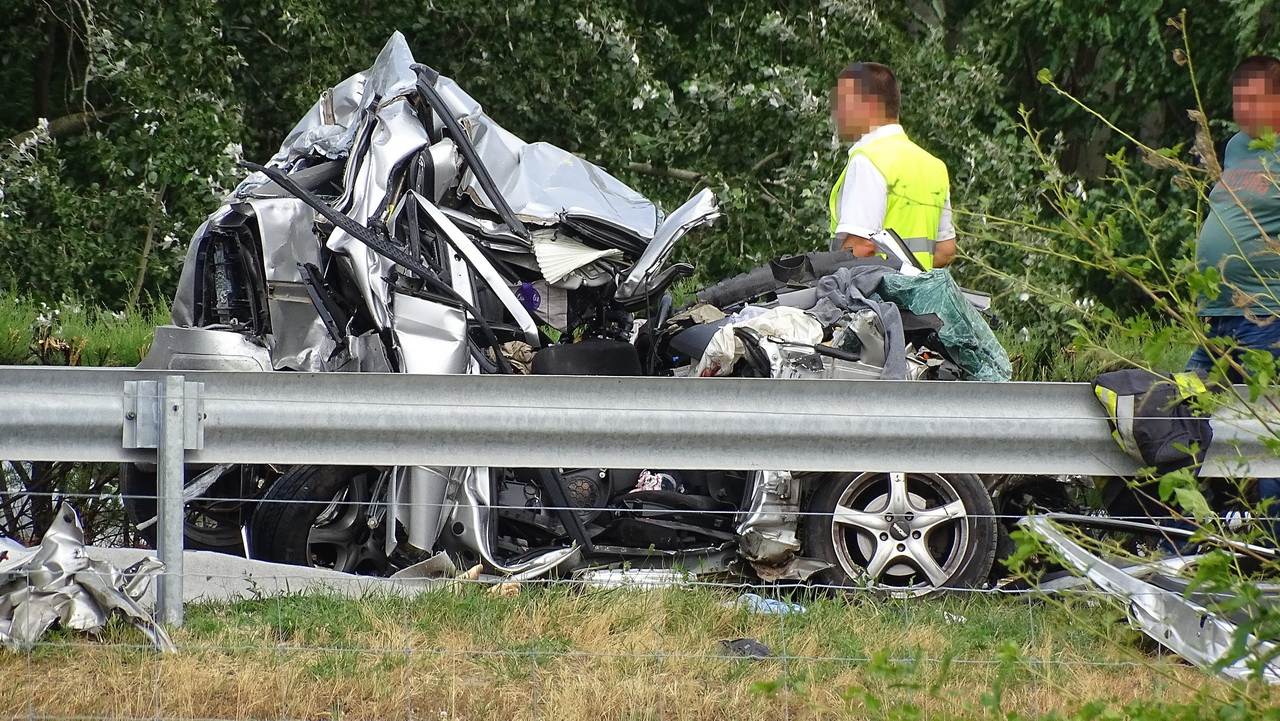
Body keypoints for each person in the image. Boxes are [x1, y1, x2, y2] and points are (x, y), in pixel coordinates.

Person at [1186, 54, 1280, 542]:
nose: (1242, 109)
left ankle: (1272, 545)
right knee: (1179, 411)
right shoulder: (1237, 146)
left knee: (1266, 431)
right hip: (1216, 317)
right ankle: (1180, 536)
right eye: (1236, 99)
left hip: (1267, 318)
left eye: (1254, 99)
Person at [828, 62, 955, 270]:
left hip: (873, 299)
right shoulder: (934, 166)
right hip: (916, 299)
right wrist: (907, 277)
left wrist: (827, 284)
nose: (836, 114)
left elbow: (861, 247)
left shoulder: (868, 160)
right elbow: (945, 251)